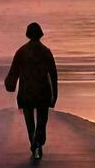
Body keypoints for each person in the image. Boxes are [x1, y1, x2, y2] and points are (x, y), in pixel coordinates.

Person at [5, 22, 58, 160]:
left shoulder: (21, 51)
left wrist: (10, 85)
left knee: (30, 122)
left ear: (28, 34)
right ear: (40, 34)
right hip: (43, 92)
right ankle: (38, 142)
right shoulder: (46, 52)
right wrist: (54, 95)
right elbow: (53, 75)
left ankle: (34, 144)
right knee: (42, 120)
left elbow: (13, 72)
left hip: (26, 92)